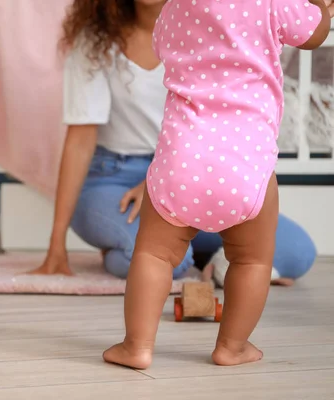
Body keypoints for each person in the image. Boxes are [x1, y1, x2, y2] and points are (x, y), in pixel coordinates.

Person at [102, 0, 334, 369]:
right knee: (252, 261)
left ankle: (137, 346)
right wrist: (321, 6)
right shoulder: (273, 3)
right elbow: (314, 34)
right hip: (246, 164)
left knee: (154, 255)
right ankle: (231, 346)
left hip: (182, 157)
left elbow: (161, 46)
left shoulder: (175, 6)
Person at [29, 0, 317, 288]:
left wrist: (155, 178)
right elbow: (80, 140)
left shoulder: (218, 27)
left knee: (296, 249)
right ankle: (181, 253)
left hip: (186, 171)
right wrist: (56, 244)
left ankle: (211, 259)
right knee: (167, 261)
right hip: (111, 180)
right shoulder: (95, 41)